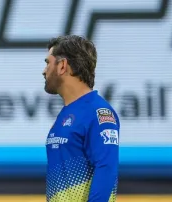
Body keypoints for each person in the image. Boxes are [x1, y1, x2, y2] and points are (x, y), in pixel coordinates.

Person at [42, 35, 120, 202]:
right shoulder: (66, 113)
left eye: (48, 62)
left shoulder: (99, 112)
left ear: (62, 66)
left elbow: (106, 167)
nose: (44, 70)